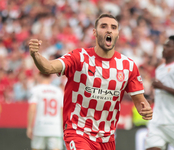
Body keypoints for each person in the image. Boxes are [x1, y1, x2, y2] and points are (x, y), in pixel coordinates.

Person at [28, 13, 153, 150]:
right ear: (94, 32)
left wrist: (145, 109)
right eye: (103, 26)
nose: (109, 30)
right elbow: (48, 67)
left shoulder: (128, 65)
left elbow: (139, 101)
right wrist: (36, 55)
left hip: (107, 138)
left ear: (118, 33)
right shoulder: (79, 57)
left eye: (113, 27)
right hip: (78, 132)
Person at [145, 35, 174, 150]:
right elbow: (163, 94)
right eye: (164, 45)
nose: (164, 48)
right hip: (157, 121)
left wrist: (162, 87)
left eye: (168, 46)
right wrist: (153, 100)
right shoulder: (159, 69)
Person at [26, 72, 64, 150]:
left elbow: (32, 109)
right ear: (50, 76)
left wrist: (29, 127)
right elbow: (62, 111)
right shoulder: (58, 91)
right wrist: (62, 128)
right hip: (55, 127)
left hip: (40, 126)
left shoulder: (35, 90)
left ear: (39, 76)